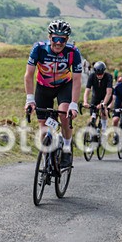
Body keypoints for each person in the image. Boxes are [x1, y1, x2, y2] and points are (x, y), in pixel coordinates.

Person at [24, 19, 83, 169]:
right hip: (43, 87)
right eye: (55, 38)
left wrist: (74, 105)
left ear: (67, 39)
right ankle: (47, 159)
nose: (58, 43)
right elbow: (28, 75)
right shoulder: (39, 49)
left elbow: (77, 80)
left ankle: (67, 148)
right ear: (49, 37)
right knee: (43, 129)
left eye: (62, 39)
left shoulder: (73, 52)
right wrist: (30, 99)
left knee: (64, 114)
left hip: (64, 86)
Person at [82, 60, 113, 132]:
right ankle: (92, 129)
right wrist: (85, 102)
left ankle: (104, 129)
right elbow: (87, 90)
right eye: (98, 74)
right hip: (95, 97)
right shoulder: (92, 76)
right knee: (93, 115)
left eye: (101, 74)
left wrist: (103, 103)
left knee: (103, 110)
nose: (99, 76)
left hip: (106, 97)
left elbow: (109, 92)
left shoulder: (108, 77)